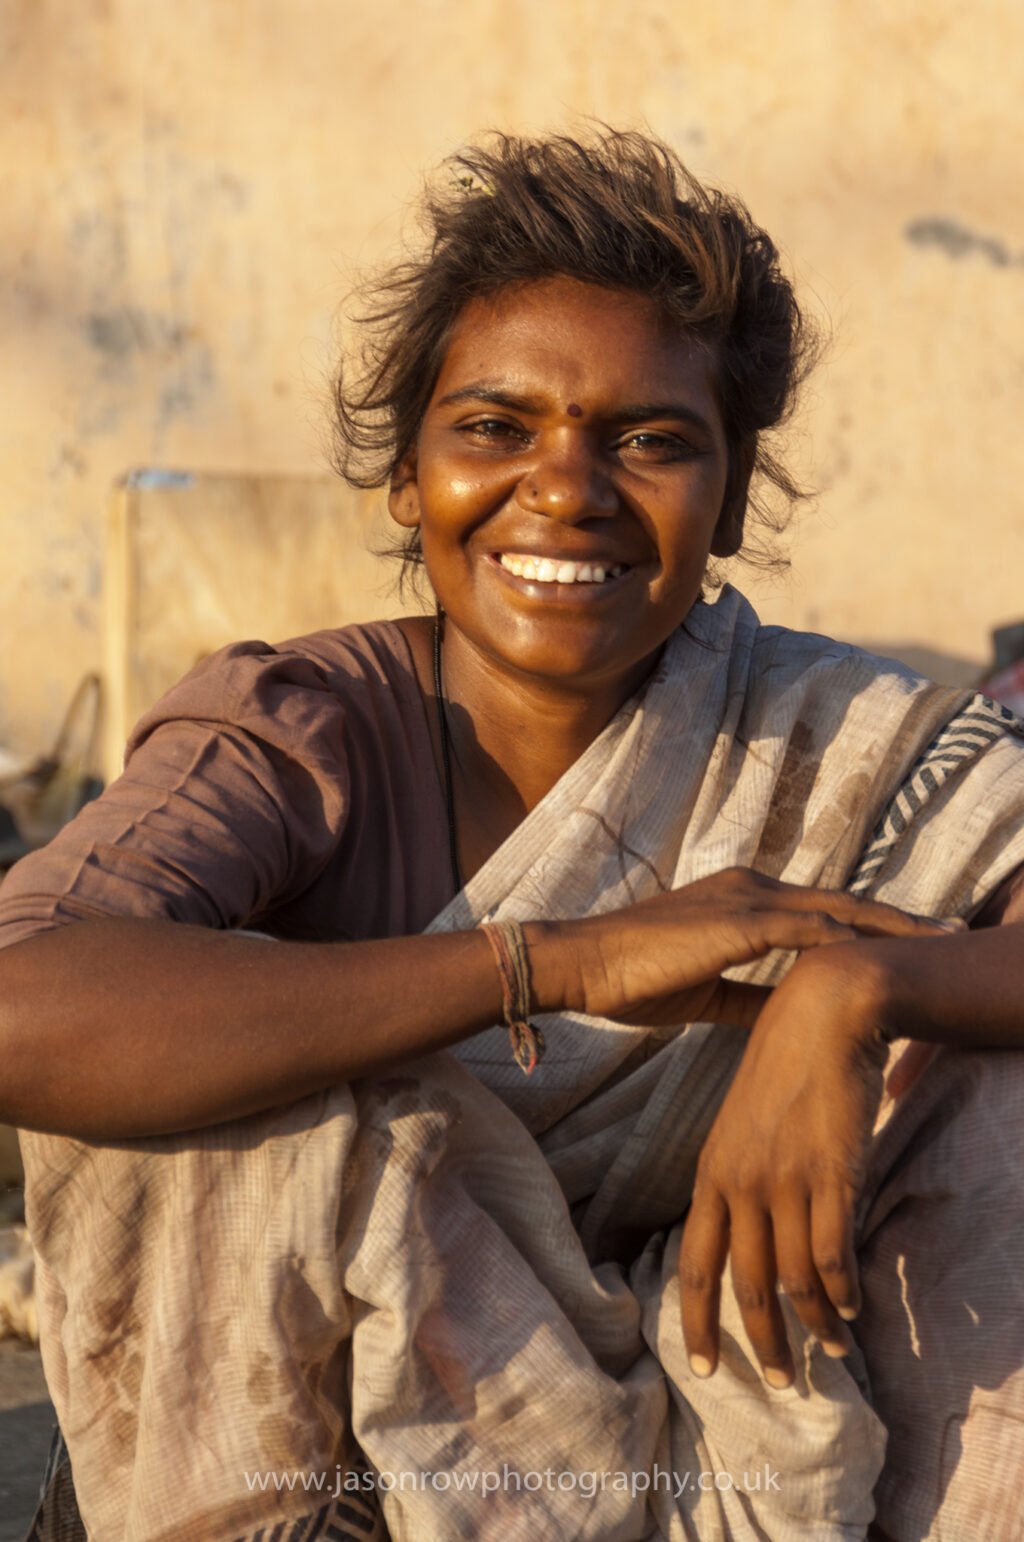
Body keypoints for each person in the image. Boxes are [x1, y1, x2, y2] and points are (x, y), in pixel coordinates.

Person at [2, 129, 1023, 1542]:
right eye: (495, 426)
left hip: (763, 1424)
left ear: (728, 498)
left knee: (997, 1086)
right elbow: (22, 994)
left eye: (652, 440)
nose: (568, 486)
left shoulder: (834, 741)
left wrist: (859, 993)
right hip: (348, 1473)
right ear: (409, 477)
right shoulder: (301, 731)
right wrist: (551, 961)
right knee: (225, 1106)